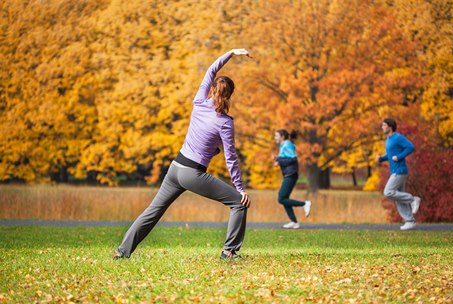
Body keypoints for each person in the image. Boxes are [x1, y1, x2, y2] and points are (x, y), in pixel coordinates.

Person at [114, 49, 252, 260]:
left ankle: (122, 252)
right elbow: (230, 158)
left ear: (212, 89)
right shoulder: (225, 123)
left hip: (175, 168)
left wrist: (230, 53)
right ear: (230, 95)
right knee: (238, 203)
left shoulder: (198, 103)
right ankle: (229, 251)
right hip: (192, 173)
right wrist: (240, 189)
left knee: (152, 212)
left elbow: (210, 70)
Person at [376, 118, 421, 231]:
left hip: (400, 171)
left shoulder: (397, 137)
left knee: (388, 192)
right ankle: (410, 221)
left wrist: (399, 157)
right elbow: (391, 154)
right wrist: (381, 158)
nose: (382, 127)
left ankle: (412, 199)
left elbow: (411, 147)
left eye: (384, 125)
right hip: (395, 170)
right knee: (398, 197)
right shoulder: (389, 139)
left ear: (390, 127)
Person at [272, 129, 311, 229]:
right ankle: (294, 222)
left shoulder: (287, 145)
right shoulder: (284, 145)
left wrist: (278, 159)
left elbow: (293, 159)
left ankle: (305, 204)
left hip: (291, 174)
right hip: (289, 174)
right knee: (284, 198)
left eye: (276, 136)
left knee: (281, 198)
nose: (275, 138)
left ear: (282, 136)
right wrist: (279, 161)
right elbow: (287, 159)